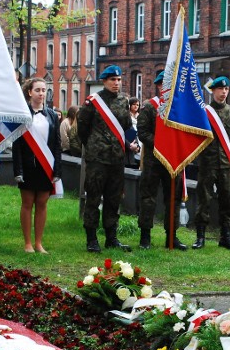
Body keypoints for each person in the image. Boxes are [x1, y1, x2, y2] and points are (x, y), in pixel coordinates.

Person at [78, 65, 133, 253]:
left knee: (113, 198)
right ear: (104, 81)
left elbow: (125, 125)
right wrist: (95, 145)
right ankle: (91, 239)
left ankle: (112, 237)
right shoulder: (93, 102)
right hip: (97, 159)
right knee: (93, 197)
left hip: (117, 158)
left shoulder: (123, 101)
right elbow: (82, 129)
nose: (116, 83)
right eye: (112, 80)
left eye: (119, 80)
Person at [192, 76, 230, 251]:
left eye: (226, 89)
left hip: (226, 165)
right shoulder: (203, 112)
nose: (223, 92)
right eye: (220, 89)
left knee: (226, 201)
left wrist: (227, 151)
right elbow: (196, 137)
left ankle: (226, 236)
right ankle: (200, 236)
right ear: (212, 91)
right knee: (204, 200)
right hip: (207, 164)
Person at [137, 70, 187, 250]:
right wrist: (160, 145)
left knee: (173, 199)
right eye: (166, 85)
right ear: (159, 86)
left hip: (173, 161)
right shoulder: (150, 107)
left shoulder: (178, 108)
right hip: (153, 161)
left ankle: (172, 237)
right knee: (148, 199)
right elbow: (142, 133)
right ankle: (145, 237)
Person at [12, 77, 62, 254]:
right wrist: (17, 170)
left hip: (46, 165)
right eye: (38, 90)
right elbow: (16, 145)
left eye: (44, 90)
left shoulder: (52, 115)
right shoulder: (22, 114)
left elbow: (57, 144)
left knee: (42, 203)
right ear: (29, 92)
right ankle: (27, 243)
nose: (41, 94)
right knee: (27, 203)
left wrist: (57, 169)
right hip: (27, 166)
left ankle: (39, 243)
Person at [124, 98, 141, 169]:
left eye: (137, 105)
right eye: (134, 104)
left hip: (139, 140)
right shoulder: (126, 116)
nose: (136, 106)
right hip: (129, 139)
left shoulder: (140, 116)